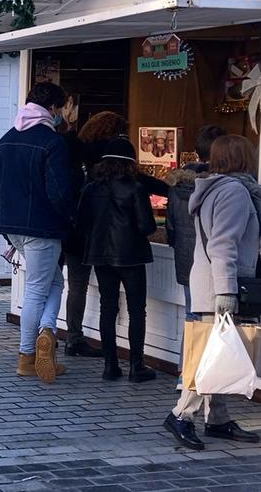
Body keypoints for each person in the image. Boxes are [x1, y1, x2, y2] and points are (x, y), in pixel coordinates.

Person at [164, 135, 261, 450]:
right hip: (220, 285)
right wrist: (226, 292)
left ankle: (218, 418)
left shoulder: (217, 189)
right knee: (210, 355)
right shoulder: (236, 193)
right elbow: (223, 244)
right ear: (243, 159)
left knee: (219, 352)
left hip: (211, 281)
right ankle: (181, 414)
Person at [0, 82, 73, 383]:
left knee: (52, 281)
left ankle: (45, 340)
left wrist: (6, 221)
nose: (64, 114)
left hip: (13, 227)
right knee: (39, 287)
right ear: (53, 108)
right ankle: (28, 353)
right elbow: (59, 192)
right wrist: (70, 218)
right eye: (63, 108)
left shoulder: (6, 140)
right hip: (44, 226)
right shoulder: (52, 143)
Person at [77, 138, 158, 383]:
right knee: (136, 311)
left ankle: (110, 366)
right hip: (131, 255)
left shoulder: (91, 188)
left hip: (100, 255)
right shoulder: (135, 188)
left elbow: (81, 223)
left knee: (107, 308)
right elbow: (146, 226)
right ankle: (137, 366)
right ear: (130, 162)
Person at [63, 111, 132, 358]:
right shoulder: (108, 156)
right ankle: (107, 343)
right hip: (102, 233)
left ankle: (72, 336)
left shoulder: (76, 152)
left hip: (75, 230)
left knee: (76, 286)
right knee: (108, 289)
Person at [165, 125, 225, 313]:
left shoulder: (178, 183)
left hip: (186, 257)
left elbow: (171, 226)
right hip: (213, 261)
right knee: (215, 322)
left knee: (192, 317)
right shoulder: (221, 184)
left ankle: (188, 345)